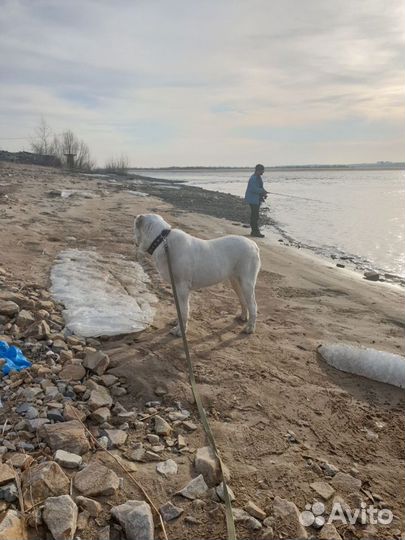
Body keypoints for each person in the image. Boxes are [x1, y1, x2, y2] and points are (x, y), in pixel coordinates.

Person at [244, 164, 268, 237]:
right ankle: (255, 232)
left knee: (255, 215)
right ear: (258, 170)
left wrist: (264, 192)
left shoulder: (258, 177)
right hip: (252, 199)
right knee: (255, 216)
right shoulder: (253, 178)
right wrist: (262, 191)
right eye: (262, 171)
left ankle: (254, 231)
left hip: (256, 199)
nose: (263, 173)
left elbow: (260, 187)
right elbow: (253, 189)